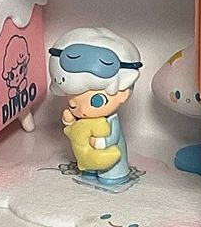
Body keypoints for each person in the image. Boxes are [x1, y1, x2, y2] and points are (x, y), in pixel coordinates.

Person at [49, 27, 142, 186]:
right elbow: (72, 131)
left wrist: (100, 143)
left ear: (122, 94)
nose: (82, 109)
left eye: (96, 101)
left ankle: (115, 174)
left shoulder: (110, 119)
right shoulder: (82, 119)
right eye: (72, 101)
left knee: (111, 169)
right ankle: (89, 170)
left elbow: (112, 137)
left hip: (109, 156)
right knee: (87, 166)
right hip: (87, 157)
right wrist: (69, 121)